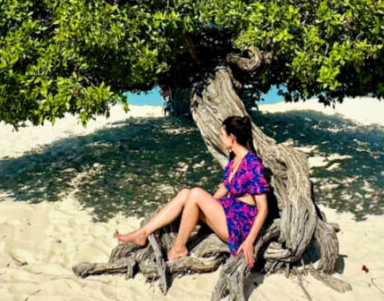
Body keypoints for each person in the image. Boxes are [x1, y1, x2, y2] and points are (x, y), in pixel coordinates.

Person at [115, 113, 269, 267]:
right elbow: (226, 186)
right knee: (185, 194)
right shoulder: (234, 159)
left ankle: (178, 248)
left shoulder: (252, 163)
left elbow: (263, 208)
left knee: (196, 193)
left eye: (222, 134)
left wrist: (249, 241)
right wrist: (208, 205)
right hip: (228, 211)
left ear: (232, 137)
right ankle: (143, 232)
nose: (220, 138)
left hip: (241, 224)